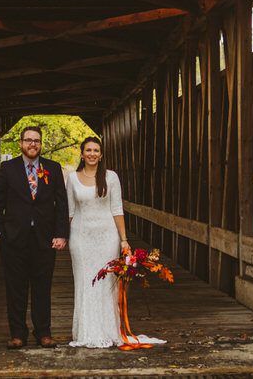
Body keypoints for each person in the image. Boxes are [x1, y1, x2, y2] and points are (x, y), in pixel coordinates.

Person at [66, 136, 165, 348]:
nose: (92, 154)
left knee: (106, 284)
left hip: (106, 237)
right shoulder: (73, 178)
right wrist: (62, 237)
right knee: (84, 283)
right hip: (81, 238)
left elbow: (117, 209)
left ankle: (109, 330)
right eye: (88, 150)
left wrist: (123, 240)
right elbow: (70, 212)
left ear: (101, 155)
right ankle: (85, 332)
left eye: (96, 150)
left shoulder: (111, 177)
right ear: (82, 154)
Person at [0, 126, 69, 349]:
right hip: (14, 239)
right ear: (21, 143)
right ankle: (17, 333)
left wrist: (61, 233)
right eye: (28, 140)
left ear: (41, 144)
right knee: (16, 287)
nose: (32, 144)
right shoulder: (8, 168)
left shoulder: (52, 168)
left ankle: (43, 332)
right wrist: (0, 232)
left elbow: (61, 204)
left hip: (44, 238)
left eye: (36, 140)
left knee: (42, 287)